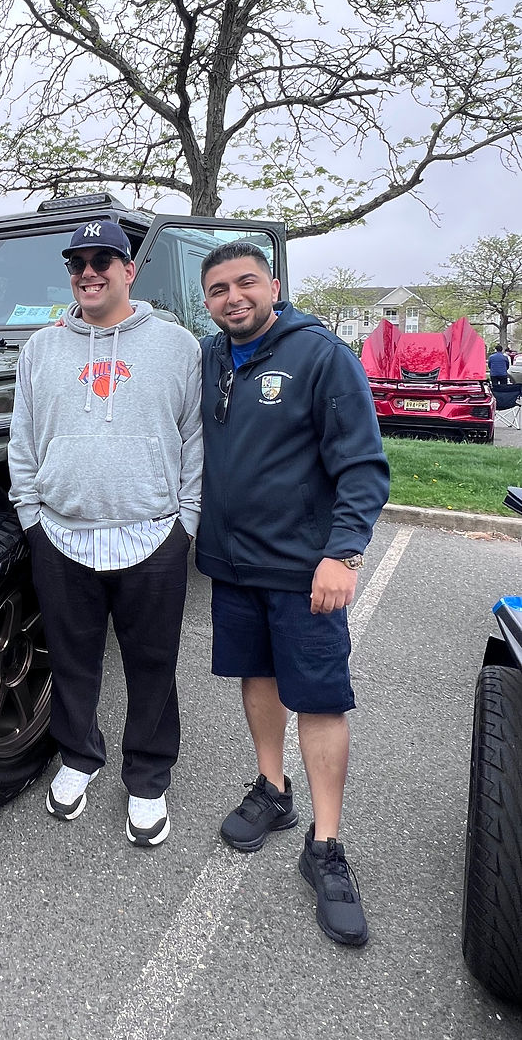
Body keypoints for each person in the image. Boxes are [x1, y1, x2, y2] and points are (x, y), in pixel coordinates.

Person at [196, 241, 389, 945]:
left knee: (321, 696)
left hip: (306, 571)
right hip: (234, 565)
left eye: (246, 281)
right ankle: (273, 791)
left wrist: (342, 552)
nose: (233, 296)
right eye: (218, 288)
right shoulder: (214, 355)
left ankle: (327, 846)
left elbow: (364, 464)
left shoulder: (320, 356)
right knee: (259, 676)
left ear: (273, 283)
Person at [8, 219, 203, 848]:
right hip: (62, 534)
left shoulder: (177, 346)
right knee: (72, 659)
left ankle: (147, 777)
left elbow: (195, 439)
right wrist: (31, 516)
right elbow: (22, 439)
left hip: (152, 535)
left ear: (129, 270)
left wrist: (186, 520)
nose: (88, 272)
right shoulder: (40, 348)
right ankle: (77, 757)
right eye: (77, 263)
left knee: (153, 663)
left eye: (102, 260)